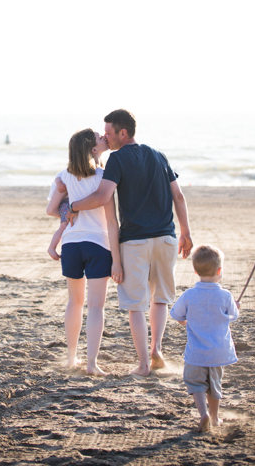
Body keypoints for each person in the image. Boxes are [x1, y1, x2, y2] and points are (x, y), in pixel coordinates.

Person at [67, 109, 193, 376]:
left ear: (122, 133)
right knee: (160, 299)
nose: (106, 137)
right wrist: (186, 232)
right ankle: (156, 350)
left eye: (109, 132)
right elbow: (179, 196)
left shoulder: (117, 158)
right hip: (166, 238)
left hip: (135, 242)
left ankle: (144, 364)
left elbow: (102, 196)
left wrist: (73, 206)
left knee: (136, 305)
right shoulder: (159, 155)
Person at [46, 129, 122, 376]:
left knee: (74, 302)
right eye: (99, 138)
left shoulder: (63, 176)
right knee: (96, 307)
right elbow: (111, 221)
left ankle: (71, 357)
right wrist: (117, 258)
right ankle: (91, 363)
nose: (103, 138)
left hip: (71, 244)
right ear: (92, 149)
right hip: (97, 243)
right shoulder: (103, 178)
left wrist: (69, 208)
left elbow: (51, 210)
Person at [169, 245, 240, 432]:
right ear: (219, 271)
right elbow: (233, 316)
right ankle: (215, 418)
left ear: (195, 271)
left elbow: (176, 314)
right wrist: (236, 306)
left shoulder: (189, 295)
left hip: (196, 353)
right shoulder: (225, 295)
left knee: (196, 384)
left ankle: (203, 414)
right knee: (214, 385)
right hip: (218, 352)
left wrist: (184, 321)